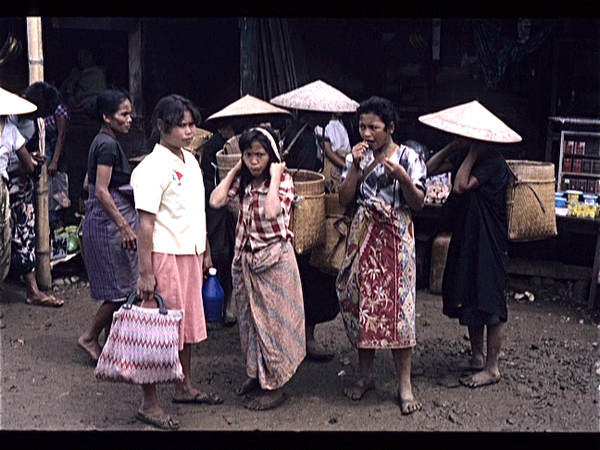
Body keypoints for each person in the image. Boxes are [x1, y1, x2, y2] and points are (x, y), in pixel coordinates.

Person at [131, 94, 223, 430]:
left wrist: (206, 249)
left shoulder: (191, 160)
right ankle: (149, 402)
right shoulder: (150, 169)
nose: (188, 131)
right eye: (181, 125)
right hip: (164, 255)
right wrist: (145, 272)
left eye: (191, 124)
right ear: (161, 127)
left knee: (184, 329)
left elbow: (197, 211)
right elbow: (146, 224)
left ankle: (183, 385)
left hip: (191, 252)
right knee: (157, 330)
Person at [336, 96, 425, 415]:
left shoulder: (409, 157)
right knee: (362, 303)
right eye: (362, 126)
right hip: (364, 234)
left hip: (396, 236)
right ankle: (365, 376)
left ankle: (405, 384)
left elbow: (418, 203)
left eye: (373, 127)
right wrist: (355, 166)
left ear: (390, 127)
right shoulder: (356, 157)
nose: (366, 133)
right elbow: (345, 198)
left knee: (399, 308)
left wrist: (401, 176)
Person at [423, 101, 518, 389]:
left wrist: (474, 152)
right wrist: (453, 147)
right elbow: (427, 169)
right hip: (467, 235)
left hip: (489, 238)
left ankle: (492, 367)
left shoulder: (493, 163)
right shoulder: (464, 154)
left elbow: (460, 185)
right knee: (469, 292)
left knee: (490, 298)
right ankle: (477, 357)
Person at [209, 127, 305, 411]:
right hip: (246, 261)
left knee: (274, 326)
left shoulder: (283, 182)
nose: (254, 161)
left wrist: (275, 175)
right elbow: (215, 201)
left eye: (259, 155)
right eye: (249, 154)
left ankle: (275, 386)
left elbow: (272, 211)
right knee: (250, 323)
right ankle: (257, 374)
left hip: (273, 263)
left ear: (271, 156)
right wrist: (235, 168)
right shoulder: (245, 183)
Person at [78, 90, 138, 362]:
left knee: (120, 286)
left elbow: (87, 184)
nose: (130, 119)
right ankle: (89, 337)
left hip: (103, 222)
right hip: (108, 226)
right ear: (107, 117)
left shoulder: (103, 142)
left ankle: (109, 343)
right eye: (124, 114)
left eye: (129, 113)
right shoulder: (106, 145)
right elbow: (100, 190)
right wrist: (124, 226)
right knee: (120, 291)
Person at [281, 112, 340, 361]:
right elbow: (305, 177)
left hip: (294, 213)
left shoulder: (295, 132)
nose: (331, 116)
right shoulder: (304, 138)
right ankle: (306, 337)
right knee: (310, 275)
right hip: (305, 214)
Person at [6, 82, 63, 307]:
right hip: (7, 182)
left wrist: (30, 160)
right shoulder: (7, 117)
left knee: (23, 231)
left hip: (13, 183)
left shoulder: (28, 126)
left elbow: (21, 163)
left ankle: (32, 288)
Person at [200, 123, 238, 327]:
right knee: (220, 254)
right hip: (217, 205)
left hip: (233, 206)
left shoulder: (243, 142)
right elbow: (211, 179)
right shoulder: (216, 145)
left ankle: (229, 304)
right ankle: (216, 305)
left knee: (231, 254)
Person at [45, 96, 70, 226]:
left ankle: (56, 226)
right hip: (44, 156)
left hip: (55, 157)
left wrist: (54, 160)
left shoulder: (59, 108)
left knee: (56, 194)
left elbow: (61, 135)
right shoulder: (43, 109)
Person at [314, 112, 352, 193]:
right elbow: (328, 152)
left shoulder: (342, 122)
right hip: (333, 164)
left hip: (346, 159)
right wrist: (347, 166)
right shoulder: (323, 126)